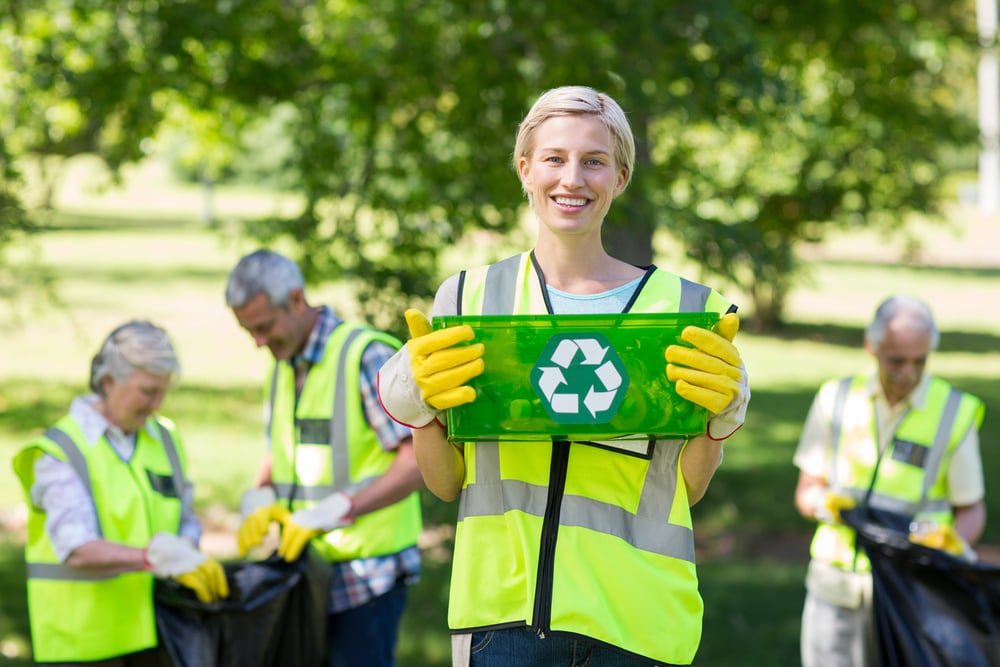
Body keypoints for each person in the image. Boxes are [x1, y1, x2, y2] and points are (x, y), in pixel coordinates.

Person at [377, 85, 751, 666]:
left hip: (635, 620)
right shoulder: (472, 299)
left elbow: (687, 490)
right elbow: (447, 484)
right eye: (554, 158)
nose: (571, 179)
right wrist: (420, 407)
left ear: (620, 177)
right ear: (525, 169)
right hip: (502, 620)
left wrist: (717, 422)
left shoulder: (684, 311)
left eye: (594, 161)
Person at [224, 248, 424, 667]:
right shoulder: (281, 365)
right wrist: (259, 498)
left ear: (296, 300)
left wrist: (341, 509)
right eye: (249, 332)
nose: (259, 342)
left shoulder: (363, 355)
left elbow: (416, 460)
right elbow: (281, 448)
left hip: (367, 577)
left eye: (264, 327)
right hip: (307, 574)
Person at [12, 320, 229, 666]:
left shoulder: (164, 439)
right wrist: (155, 558)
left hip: (158, 635)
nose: (157, 404)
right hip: (84, 645)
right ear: (109, 382)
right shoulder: (62, 451)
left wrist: (187, 548)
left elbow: (184, 515)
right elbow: (77, 548)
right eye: (147, 391)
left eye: (163, 391)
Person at [793, 294, 987, 667]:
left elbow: (971, 508)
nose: (909, 373)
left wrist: (952, 542)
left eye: (920, 360)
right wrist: (824, 503)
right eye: (896, 360)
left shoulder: (954, 413)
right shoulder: (836, 399)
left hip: (912, 591)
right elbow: (806, 491)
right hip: (837, 587)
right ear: (871, 347)